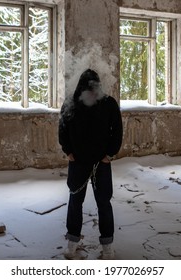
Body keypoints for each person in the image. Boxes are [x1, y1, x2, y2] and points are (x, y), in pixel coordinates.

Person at [58, 69, 123, 259]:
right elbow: (62, 128)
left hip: (101, 163)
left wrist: (110, 154)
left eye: (94, 88)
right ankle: (72, 242)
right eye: (88, 88)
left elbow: (117, 130)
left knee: (104, 202)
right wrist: (67, 151)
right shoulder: (71, 103)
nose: (92, 92)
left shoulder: (108, 103)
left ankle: (107, 246)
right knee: (75, 202)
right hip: (77, 162)